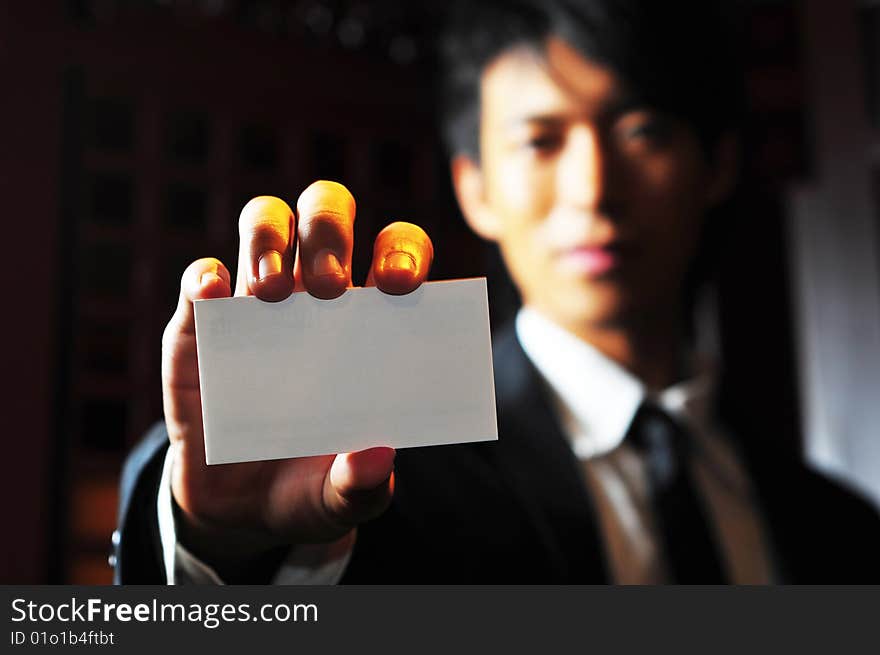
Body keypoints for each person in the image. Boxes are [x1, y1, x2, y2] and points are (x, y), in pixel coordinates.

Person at [113, 0, 880, 584]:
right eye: (540, 141)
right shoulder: (374, 475)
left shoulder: (840, 530)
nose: (593, 189)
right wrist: (223, 544)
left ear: (717, 166)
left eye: (643, 130)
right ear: (473, 187)